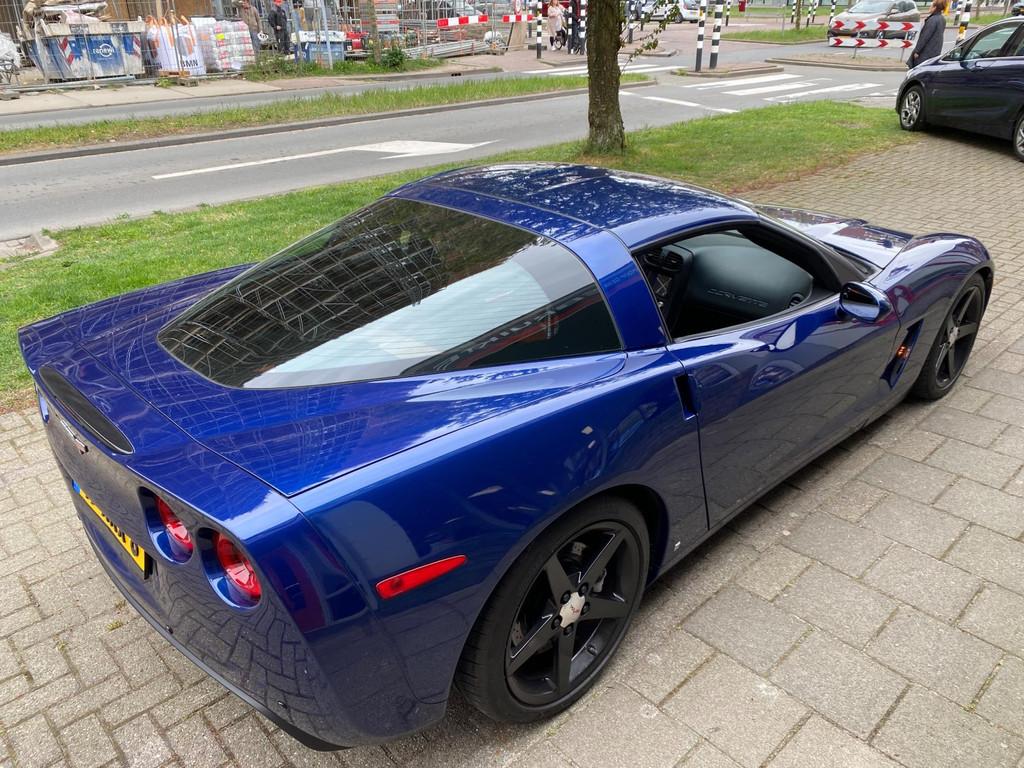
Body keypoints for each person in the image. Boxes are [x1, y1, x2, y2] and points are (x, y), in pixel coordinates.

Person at [908, 0, 947, 68]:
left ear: (934, 8)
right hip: (935, 52)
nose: (929, 7)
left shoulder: (932, 20)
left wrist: (917, 51)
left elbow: (925, 37)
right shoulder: (942, 19)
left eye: (931, 6)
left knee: (918, 71)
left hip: (925, 53)